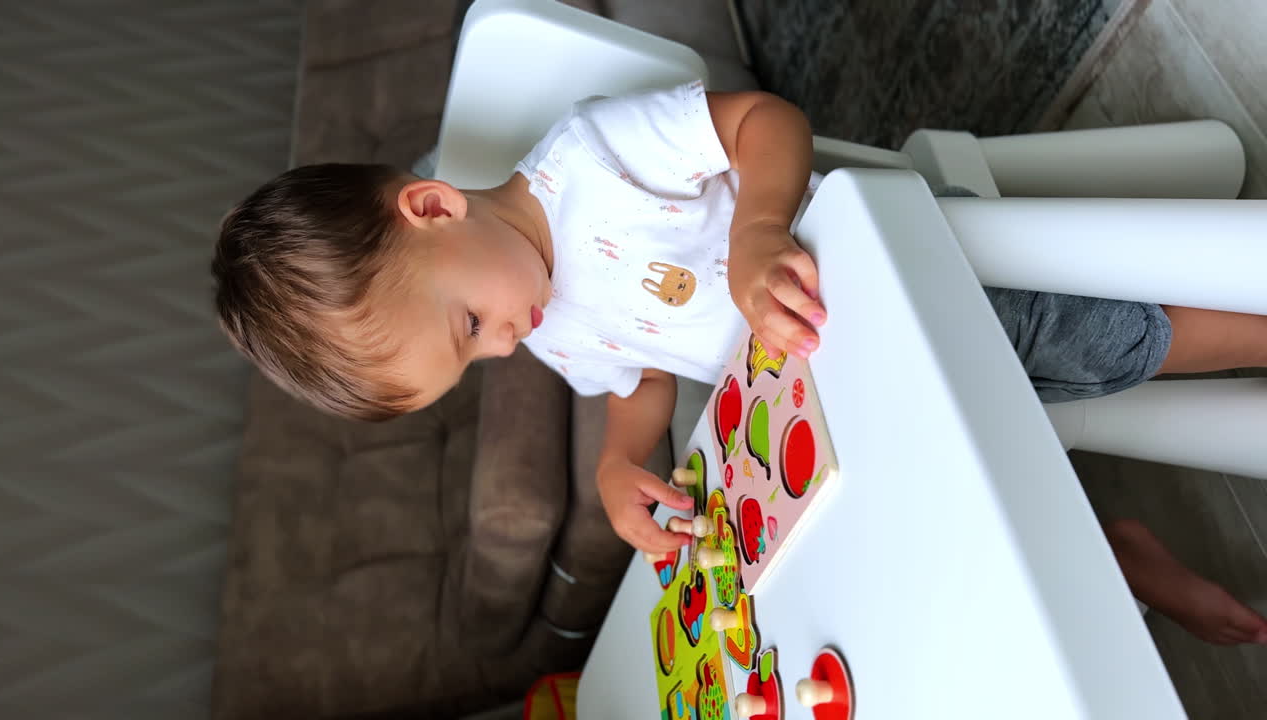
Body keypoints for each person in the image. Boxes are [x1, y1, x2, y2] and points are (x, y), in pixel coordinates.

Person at [210, 82, 1267, 645]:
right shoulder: (545, 323)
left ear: (434, 208)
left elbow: (764, 122)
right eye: (475, 357)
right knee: (934, 513)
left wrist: (755, 233)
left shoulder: (590, 163)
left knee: (1113, 339)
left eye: (469, 325)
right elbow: (637, 383)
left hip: (895, 280)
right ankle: (1112, 556)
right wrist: (616, 469)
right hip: (838, 390)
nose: (504, 343)